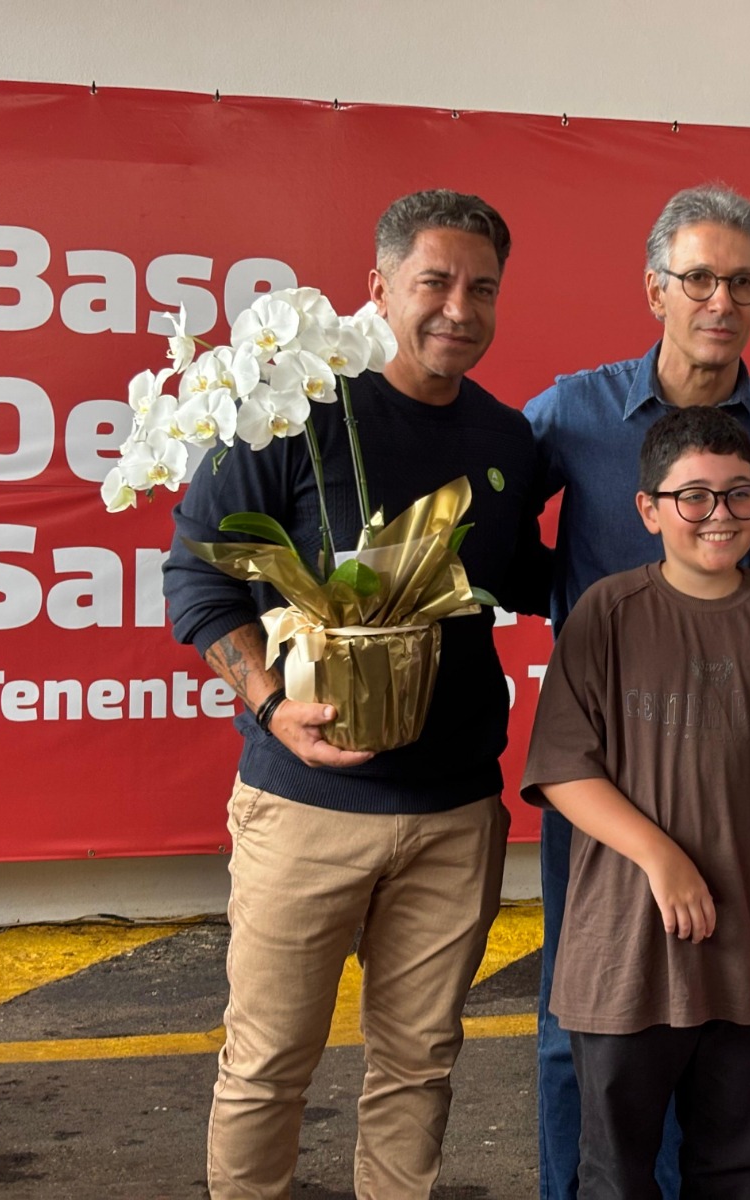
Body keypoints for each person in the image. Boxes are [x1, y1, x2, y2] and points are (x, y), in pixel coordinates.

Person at [164, 189, 551, 1200]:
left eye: (482, 289)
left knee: (418, 1068)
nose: (458, 309)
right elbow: (197, 581)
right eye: (435, 282)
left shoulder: (504, 440)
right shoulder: (290, 414)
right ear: (377, 287)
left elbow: (529, 576)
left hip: (455, 813)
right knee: (266, 1066)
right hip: (305, 807)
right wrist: (268, 703)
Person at [523, 183, 750, 1200]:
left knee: (731, 1021)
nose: (719, 301)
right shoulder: (573, 412)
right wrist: (562, 599)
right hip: (608, 773)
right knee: (582, 1023)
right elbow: (482, 528)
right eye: (697, 279)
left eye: (742, 282)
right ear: (656, 288)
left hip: (734, 769)